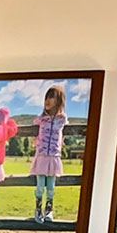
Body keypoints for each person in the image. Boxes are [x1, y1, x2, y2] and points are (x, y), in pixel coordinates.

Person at [31, 86, 68, 224]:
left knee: (51, 187)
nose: (48, 100)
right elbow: (34, 133)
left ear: (59, 100)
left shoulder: (62, 119)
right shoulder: (41, 119)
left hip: (54, 157)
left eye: (51, 97)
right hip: (41, 157)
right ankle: (38, 209)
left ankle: (49, 210)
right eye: (46, 97)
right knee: (40, 186)